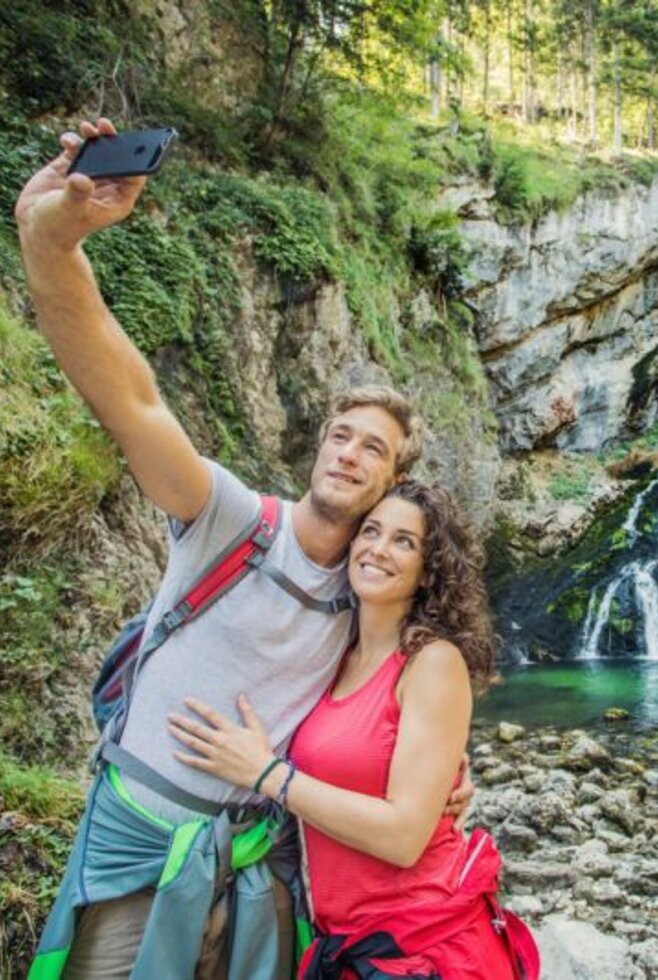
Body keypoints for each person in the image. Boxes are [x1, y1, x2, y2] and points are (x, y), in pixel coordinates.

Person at [16, 119, 471, 979]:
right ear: (317, 446)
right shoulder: (230, 518)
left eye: (375, 449)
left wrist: (450, 764)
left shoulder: (369, 597)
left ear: (394, 483)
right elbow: (130, 397)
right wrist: (52, 244)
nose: (350, 454)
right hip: (134, 842)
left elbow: (398, 702)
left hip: (258, 862)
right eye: (342, 435)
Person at [167, 481, 531, 979]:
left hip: (422, 947)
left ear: (430, 570)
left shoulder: (432, 662)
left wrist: (270, 775)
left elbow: (404, 837)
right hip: (345, 941)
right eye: (372, 532)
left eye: (404, 541)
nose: (379, 549)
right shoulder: (334, 655)